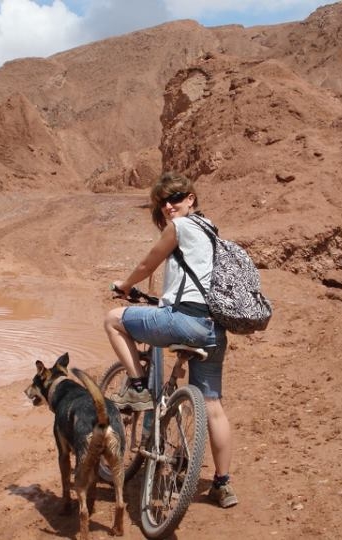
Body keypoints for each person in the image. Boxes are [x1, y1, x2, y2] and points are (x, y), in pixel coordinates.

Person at [104, 171, 238, 509]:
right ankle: (222, 485)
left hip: (184, 321)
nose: (168, 205)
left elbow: (149, 261)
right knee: (213, 407)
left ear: (191, 198)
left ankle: (136, 387)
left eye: (176, 197)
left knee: (113, 320)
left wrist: (123, 287)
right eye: (163, 202)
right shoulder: (211, 232)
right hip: (212, 328)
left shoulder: (180, 227)